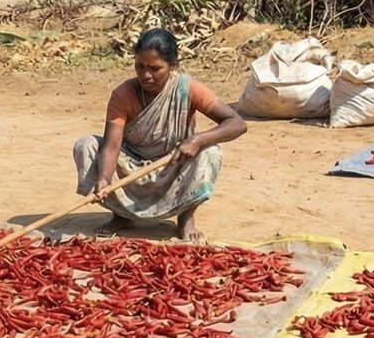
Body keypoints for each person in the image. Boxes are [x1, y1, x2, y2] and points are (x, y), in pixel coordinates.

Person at [72, 28, 246, 242]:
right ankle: (121, 214)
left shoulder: (187, 89)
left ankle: (186, 216)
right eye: (140, 66)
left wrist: (197, 140)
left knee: (210, 152)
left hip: (173, 164)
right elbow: (111, 146)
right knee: (86, 145)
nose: (146, 75)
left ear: (172, 66)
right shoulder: (123, 94)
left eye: (155, 69)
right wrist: (104, 179)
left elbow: (237, 123)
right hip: (131, 166)